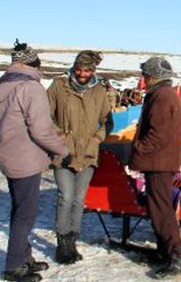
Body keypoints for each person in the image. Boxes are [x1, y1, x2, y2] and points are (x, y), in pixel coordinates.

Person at [0, 39, 68, 282]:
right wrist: (62, 150)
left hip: (8, 158)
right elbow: (41, 130)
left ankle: (24, 257)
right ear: (35, 65)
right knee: (26, 213)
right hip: (27, 159)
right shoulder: (31, 88)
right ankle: (13, 266)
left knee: (19, 209)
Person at [129, 56, 181, 277]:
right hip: (161, 160)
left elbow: (157, 134)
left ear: (151, 77)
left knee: (160, 210)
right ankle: (166, 251)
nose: (142, 79)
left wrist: (138, 149)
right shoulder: (165, 94)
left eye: (144, 75)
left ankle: (176, 254)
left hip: (157, 160)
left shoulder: (161, 96)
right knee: (160, 207)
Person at [47, 50, 112, 264]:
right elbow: (46, 116)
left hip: (88, 153)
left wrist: (97, 139)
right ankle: (62, 243)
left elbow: (107, 120)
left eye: (86, 70)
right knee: (65, 197)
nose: (82, 73)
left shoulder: (99, 91)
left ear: (93, 71)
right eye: (79, 69)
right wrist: (60, 136)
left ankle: (72, 241)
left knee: (79, 199)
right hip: (64, 153)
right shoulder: (59, 87)